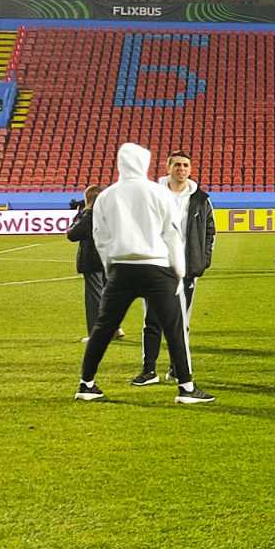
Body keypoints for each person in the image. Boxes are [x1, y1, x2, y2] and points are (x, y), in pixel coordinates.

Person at [76, 142, 210, 404]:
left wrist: (110, 266)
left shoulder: (107, 196)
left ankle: (86, 383)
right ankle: (186, 387)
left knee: (103, 328)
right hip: (157, 267)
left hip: (120, 269)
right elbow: (171, 234)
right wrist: (179, 271)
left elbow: (99, 236)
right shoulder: (158, 193)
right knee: (174, 328)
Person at [133, 150, 214, 386]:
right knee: (152, 319)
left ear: (190, 169)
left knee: (181, 322)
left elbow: (210, 232)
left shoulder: (200, 199)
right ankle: (149, 370)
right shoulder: (152, 195)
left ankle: (176, 368)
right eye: (177, 165)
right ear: (168, 167)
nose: (181, 169)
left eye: (185, 165)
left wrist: (202, 261)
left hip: (186, 269)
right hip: (157, 266)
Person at [67, 185, 122, 343]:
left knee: (94, 298)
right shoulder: (111, 215)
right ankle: (115, 327)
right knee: (109, 296)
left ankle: (96, 334)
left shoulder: (90, 216)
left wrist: (80, 214)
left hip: (93, 261)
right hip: (109, 259)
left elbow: (72, 234)